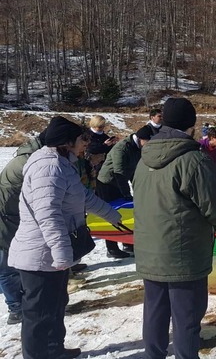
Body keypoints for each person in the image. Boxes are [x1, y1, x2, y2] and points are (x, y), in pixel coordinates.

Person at [9, 116, 122, 359]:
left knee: (55, 306)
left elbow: (84, 197)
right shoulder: (48, 168)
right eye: (82, 139)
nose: (86, 144)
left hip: (52, 253)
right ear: (67, 142)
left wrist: (112, 215)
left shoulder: (62, 164)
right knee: (39, 313)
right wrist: (62, 254)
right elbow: (47, 215)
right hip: (40, 254)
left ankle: (54, 350)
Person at [133, 97, 216, 359]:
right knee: (186, 318)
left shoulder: (143, 160)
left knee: (154, 313)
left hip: (150, 252)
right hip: (184, 255)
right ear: (191, 124)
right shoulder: (193, 160)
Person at [0, 130, 45, 325]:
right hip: (4, 217)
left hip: (11, 213)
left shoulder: (30, 156)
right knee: (6, 266)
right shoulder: (28, 161)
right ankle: (15, 308)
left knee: (12, 263)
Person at [96, 125, 153, 258]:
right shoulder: (122, 147)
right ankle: (112, 248)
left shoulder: (138, 148)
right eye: (148, 142)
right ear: (141, 139)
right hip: (107, 183)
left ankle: (128, 243)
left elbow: (135, 171)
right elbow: (119, 172)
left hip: (120, 182)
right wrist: (126, 193)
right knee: (110, 214)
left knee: (127, 213)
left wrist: (138, 190)